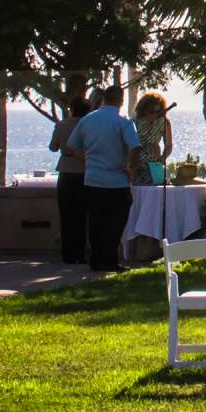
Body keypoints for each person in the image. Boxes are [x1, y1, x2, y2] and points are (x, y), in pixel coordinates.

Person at [67, 86, 142, 273]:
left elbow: (70, 146)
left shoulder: (87, 120)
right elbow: (135, 147)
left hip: (93, 180)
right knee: (115, 224)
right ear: (121, 100)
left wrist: (86, 159)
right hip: (117, 180)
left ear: (103, 99)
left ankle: (95, 260)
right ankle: (109, 260)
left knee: (95, 222)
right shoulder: (123, 122)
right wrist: (130, 168)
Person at [125, 91, 176, 265]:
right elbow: (129, 145)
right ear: (143, 110)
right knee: (139, 201)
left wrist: (163, 157)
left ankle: (155, 243)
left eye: (157, 111)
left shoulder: (164, 122)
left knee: (158, 201)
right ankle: (136, 241)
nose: (154, 115)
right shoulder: (134, 123)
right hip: (138, 167)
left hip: (155, 166)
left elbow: (168, 145)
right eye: (150, 111)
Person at [48, 95, 90, 265]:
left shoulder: (61, 125)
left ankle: (67, 253)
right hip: (84, 171)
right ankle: (80, 254)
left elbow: (53, 147)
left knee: (66, 215)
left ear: (71, 109)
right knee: (82, 216)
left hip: (65, 171)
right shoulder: (88, 126)